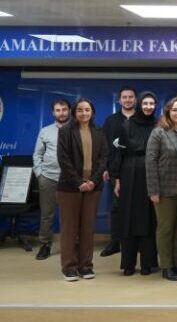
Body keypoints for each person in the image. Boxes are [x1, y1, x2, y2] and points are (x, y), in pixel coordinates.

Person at [56, 98, 109, 281]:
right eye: (80, 110)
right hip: (70, 187)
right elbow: (63, 159)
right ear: (74, 112)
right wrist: (79, 182)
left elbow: (104, 158)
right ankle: (69, 267)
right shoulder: (65, 131)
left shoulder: (99, 131)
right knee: (69, 229)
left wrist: (93, 181)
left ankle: (85, 265)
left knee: (88, 228)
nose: (84, 113)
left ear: (92, 112)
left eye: (87, 110)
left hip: (93, 187)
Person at [145, 96, 177, 282]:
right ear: (168, 112)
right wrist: (153, 190)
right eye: (175, 110)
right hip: (164, 189)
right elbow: (150, 162)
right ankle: (166, 266)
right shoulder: (159, 133)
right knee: (166, 229)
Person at [113, 91, 159, 276]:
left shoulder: (159, 125)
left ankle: (148, 263)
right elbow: (119, 153)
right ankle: (128, 264)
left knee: (149, 219)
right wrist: (117, 179)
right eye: (145, 103)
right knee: (128, 218)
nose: (148, 107)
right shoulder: (127, 124)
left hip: (151, 173)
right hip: (129, 173)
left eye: (152, 104)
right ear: (139, 105)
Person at [32, 99, 70, 260]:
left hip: (70, 180)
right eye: (58, 110)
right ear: (53, 112)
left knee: (71, 215)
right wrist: (39, 174)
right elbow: (37, 154)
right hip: (48, 178)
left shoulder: (77, 129)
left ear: (69, 110)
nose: (61, 113)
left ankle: (72, 244)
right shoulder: (45, 131)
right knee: (47, 214)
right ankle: (45, 245)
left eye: (64, 109)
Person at [100, 86, 136, 258]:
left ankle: (135, 242)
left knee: (137, 206)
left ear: (135, 99)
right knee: (116, 207)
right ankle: (115, 242)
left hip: (138, 170)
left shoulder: (142, 119)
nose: (127, 100)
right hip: (116, 170)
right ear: (119, 100)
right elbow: (104, 146)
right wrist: (105, 167)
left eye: (130, 97)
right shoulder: (111, 121)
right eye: (124, 97)